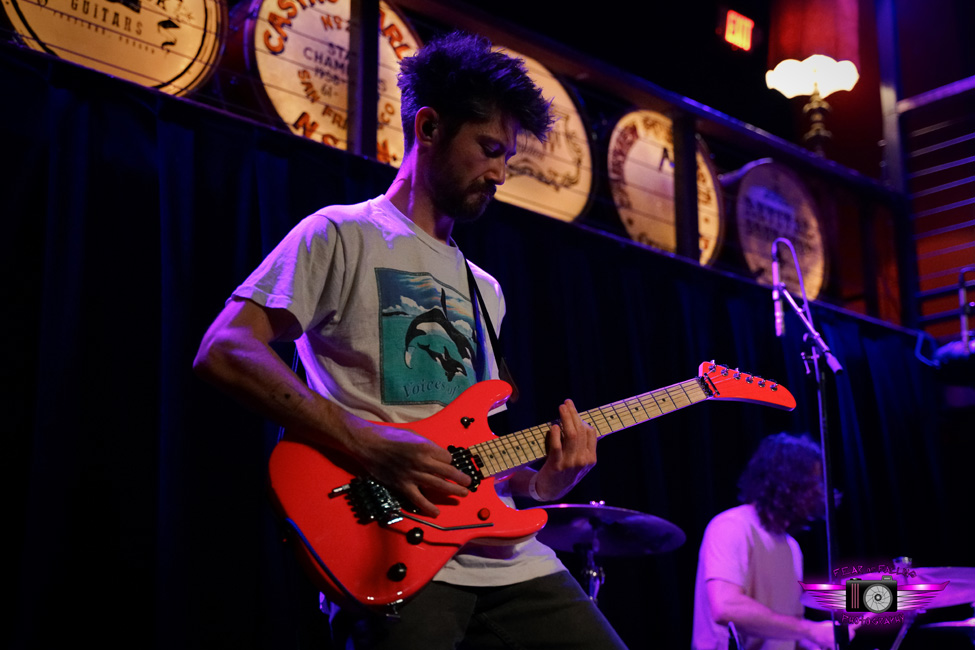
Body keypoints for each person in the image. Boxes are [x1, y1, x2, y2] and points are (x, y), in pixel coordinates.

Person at [194, 31, 627, 649]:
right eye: (489, 149)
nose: (501, 172)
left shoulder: (488, 289)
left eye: (508, 156)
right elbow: (225, 349)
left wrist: (542, 485)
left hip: (508, 557)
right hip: (390, 543)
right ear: (428, 128)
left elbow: (479, 455)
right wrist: (372, 444)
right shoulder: (339, 234)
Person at [691, 433, 837, 650]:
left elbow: (786, 632)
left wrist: (820, 639)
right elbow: (725, 607)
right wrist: (810, 630)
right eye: (812, 483)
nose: (819, 491)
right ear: (787, 483)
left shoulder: (792, 547)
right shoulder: (732, 526)